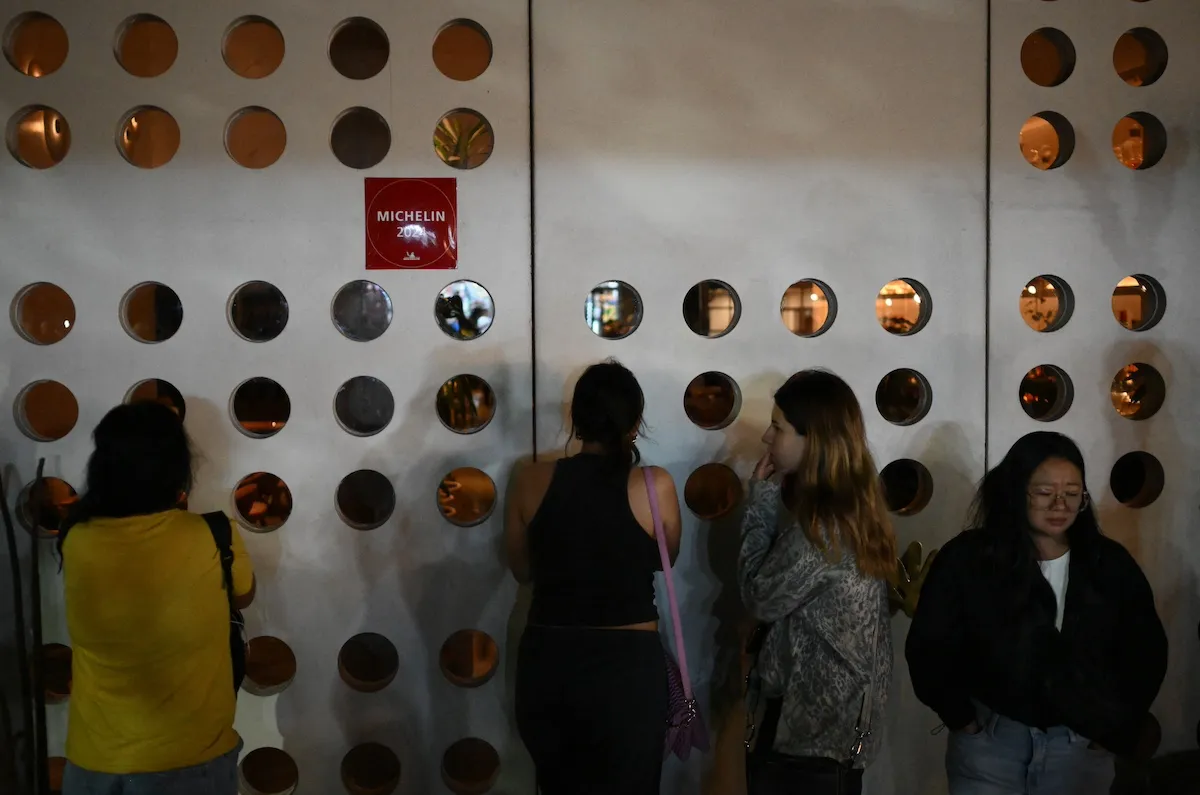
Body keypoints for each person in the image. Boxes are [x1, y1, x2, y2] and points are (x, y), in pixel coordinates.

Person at [906, 431, 1167, 795]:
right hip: (990, 746)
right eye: (1044, 492)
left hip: (1079, 749)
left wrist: (1111, 730)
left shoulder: (1108, 564)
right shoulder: (969, 559)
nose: (1059, 504)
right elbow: (929, 647)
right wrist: (963, 721)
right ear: (1015, 491)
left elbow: (1146, 653)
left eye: (1073, 494)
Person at [57, 402, 256, 795]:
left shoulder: (78, 539)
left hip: (95, 763)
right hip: (190, 762)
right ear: (176, 468)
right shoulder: (215, 535)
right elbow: (244, 596)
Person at [506, 360, 682, 795]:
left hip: (549, 662)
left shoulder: (529, 480)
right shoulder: (654, 485)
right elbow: (666, 559)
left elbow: (522, 570)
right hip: (627, 669)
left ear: (576, 418)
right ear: (634, 422)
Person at [739, 369, 896, 795]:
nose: (767, 439)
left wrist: (759, 503)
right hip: (832, 739)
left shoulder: (823, 529)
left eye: (778, 427)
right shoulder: (852, 511)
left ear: (816, 440)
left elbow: (759, 596)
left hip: (807, 743)